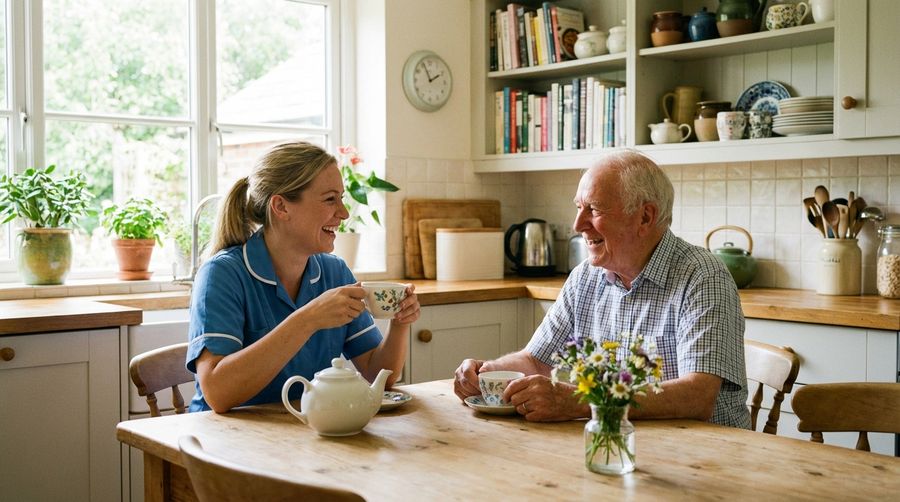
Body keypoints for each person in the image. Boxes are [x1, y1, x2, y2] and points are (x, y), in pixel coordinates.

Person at [454, 150, 750, 429]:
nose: (577, 224)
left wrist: (580, 402)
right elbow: (536, 360)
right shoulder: (585, 277)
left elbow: (697, 396)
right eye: (578, 207)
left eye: (593, 209)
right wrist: (487, 372)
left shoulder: (703, 277)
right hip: (618, 443)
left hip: (707, 453)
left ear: (645, 217)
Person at [187, 141, 419, 413]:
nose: (344, 213)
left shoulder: (334, 272)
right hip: (223, 435)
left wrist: (400, 322)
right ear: (281, 207)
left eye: (341, 198)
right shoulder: (222, 274)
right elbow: (217, 394)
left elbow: (377, 376)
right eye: (330, 199)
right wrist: (308, 319)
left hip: (303, 428)